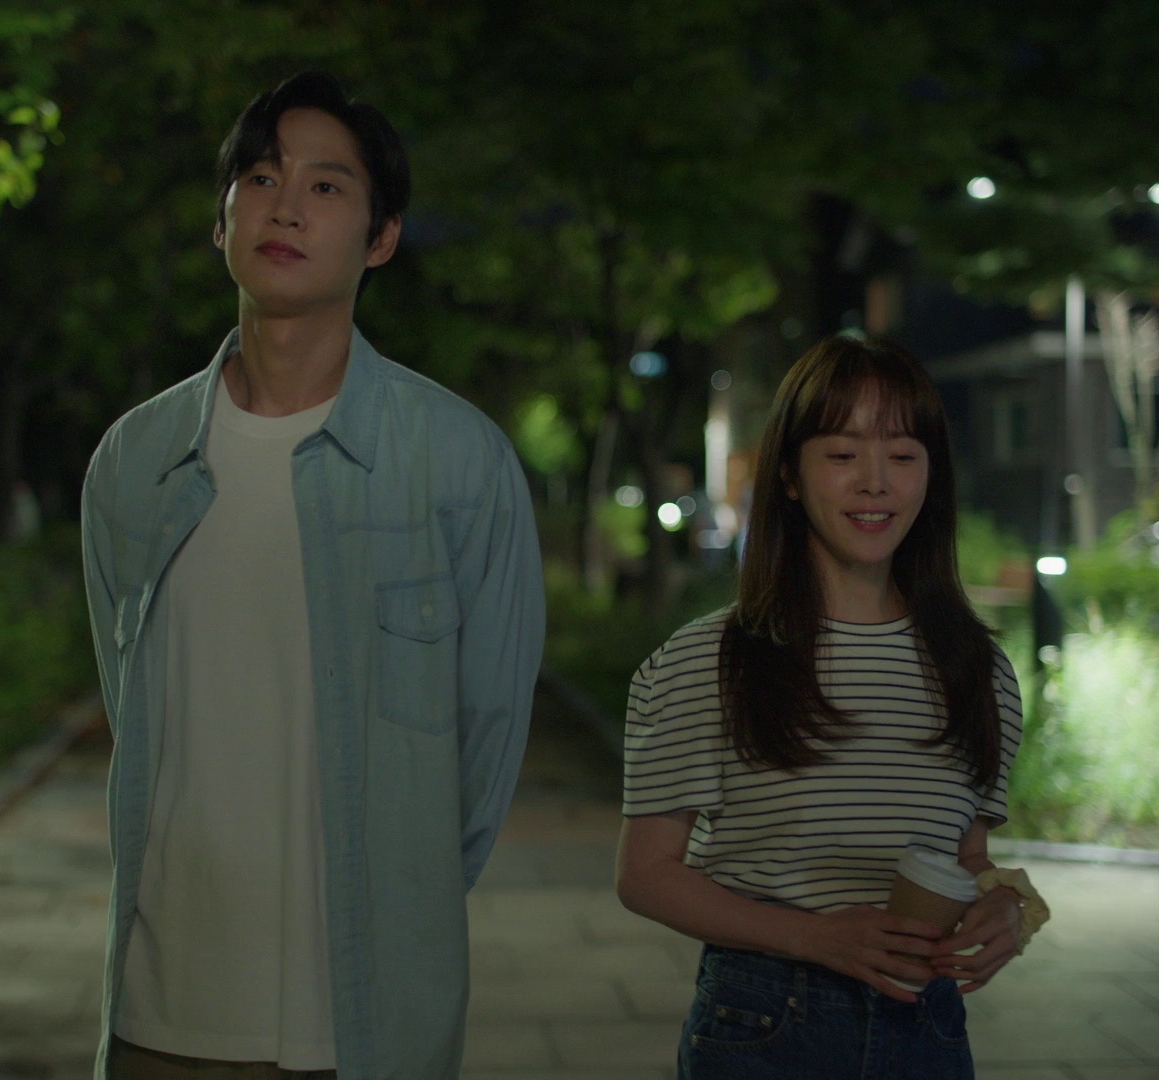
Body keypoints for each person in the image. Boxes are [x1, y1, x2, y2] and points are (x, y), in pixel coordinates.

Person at [79, 71, 545, 1080]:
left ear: (382, 238)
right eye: (260, 177)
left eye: (327, 186)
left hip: (367, 1023)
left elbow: (486, 746)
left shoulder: (458, 463)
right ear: (222, 221)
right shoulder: (135, 461)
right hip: (165, 1011)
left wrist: (403, 904)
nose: (285, 206)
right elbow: (132, 706)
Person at [616, 335, 1040, 1079]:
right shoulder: (712, 659)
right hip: (767, 1022)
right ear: (788, 473)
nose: (875, 483)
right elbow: (646, 875)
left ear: (931, 475)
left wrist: (1002, 907)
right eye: (843, 454)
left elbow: (964, 856)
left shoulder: (978, 669)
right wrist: (813, 938)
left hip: (927, 1028)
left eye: (903, 456)